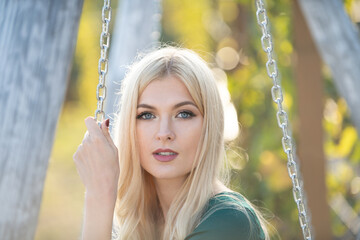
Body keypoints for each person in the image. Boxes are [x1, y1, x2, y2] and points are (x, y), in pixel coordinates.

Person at [73, 47, 269, 240]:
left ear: (210, 126)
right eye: (147, 115)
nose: (164, 133)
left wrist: (99, 194)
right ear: (129, 128)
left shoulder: (230, 221)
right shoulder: (143, 223)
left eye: (184, 114)